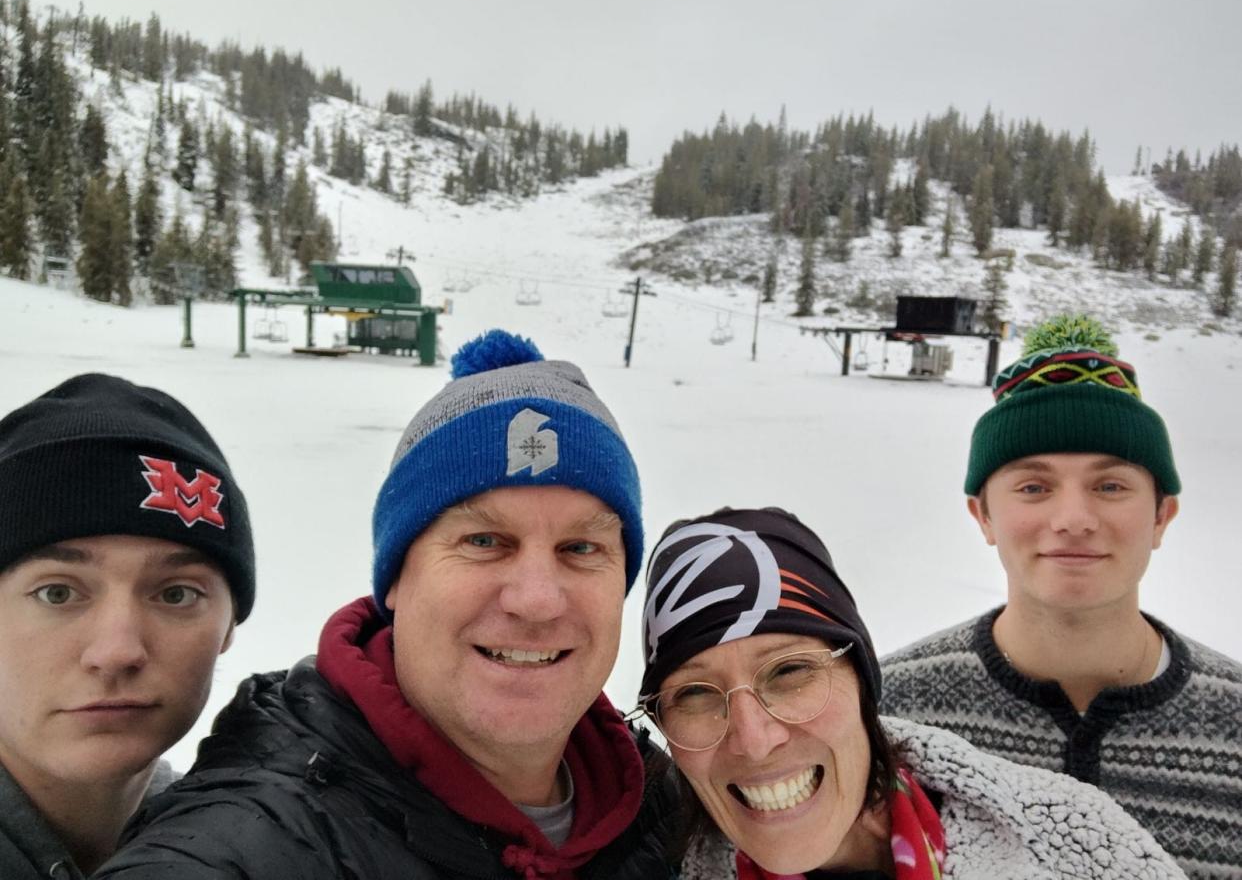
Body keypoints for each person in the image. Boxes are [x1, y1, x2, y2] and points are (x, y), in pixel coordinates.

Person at [97, 330, 678, 880]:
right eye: (483, 542)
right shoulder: (251, 841)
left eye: (580, 548)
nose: (536, 600)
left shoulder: (677, 807)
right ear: (396, 579)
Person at [634, 506, 1187, 880]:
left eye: (789, 673)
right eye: (696, 695)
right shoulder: (652, 865)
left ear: (862, 682)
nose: (753, 741)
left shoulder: (1079, 850)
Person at [879, 315, 1242, 880]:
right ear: (984, 515)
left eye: (1110, 486)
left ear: (1161, 515)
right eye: (1034, 487)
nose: (1073, 520)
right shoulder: (888, 713)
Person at [0, 373, 254, 879]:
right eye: (58, 592)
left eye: (176, 594)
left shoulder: (248, 848)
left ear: (228, 627)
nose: (117, 651)